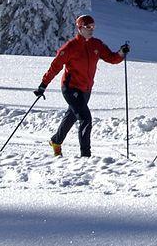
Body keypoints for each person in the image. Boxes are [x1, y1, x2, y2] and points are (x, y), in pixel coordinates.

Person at [34, 14, 129, 157]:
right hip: (70, 88)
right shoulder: (70, 47)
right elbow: (55, 66)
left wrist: (121, 53)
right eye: (88, 27)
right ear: (79, 28)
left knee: (71, 116)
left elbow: (112, 58)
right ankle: (86, 156)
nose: (91, 29)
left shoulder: (96, 44)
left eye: (93, 27)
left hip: (86, 89)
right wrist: (43, 85)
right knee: (85, 118)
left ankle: (56, 141)